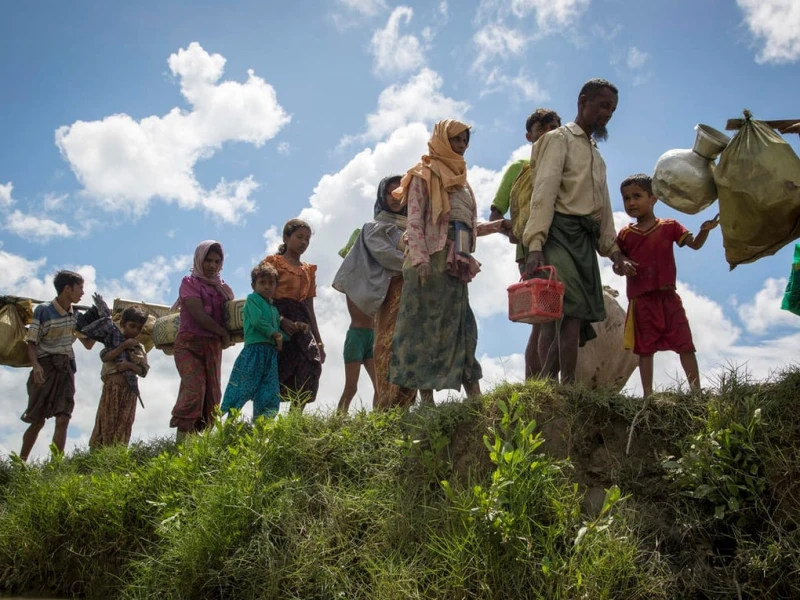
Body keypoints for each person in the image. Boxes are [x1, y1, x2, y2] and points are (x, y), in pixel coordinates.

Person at [523, 78, 634, 384]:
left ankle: (562, 385)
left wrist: (613, 251)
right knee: (565, 309)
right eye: (602, 105)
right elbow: (543, 193)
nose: (607, 114)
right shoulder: (558, 140)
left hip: (584, 240)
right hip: (558, 232)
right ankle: (554, 384)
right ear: (583, 101)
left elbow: (603, 207)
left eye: (612, 109)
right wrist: (535, 245)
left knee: (576, 314)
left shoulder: (597, 156)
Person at [389, 120, 508, 398]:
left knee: (463, 326)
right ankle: (427, 400)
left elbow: (465, 226)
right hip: (430, 260)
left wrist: (498, 226)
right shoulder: (424, 174)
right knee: (424, 328)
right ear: (442, 140)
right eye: (456, 140)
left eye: (466, 141)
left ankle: (474, 396)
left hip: (457, 263)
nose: (462, 146)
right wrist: (420, 259)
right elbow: (415, 220)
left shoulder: (463, 182)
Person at [615, 174, 719, 397]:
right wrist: (622, 264)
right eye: (626, 199)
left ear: (653, 198)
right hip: (641, 300)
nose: (631, 203)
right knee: (645, 349)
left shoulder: (670, 226)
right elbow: (617, 263)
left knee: (685, 343)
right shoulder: (625, 234)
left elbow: (694, 245)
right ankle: (648, 396)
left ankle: (696, 392)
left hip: (667, 296)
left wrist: (705, 230)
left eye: (637, 196)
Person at [333, 175, 419, 411]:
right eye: (390, 193)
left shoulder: (415, 227)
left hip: (413, 291)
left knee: (410, 346)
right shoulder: (374, 227)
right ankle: (386, 409)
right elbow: (386, 255)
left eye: (400, 193)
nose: (395, 198)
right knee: (388, 346)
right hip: (391, 293)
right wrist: (417, 261)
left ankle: (406, 406)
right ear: (382, 196)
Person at [489, 108, 562, 379]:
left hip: (562, 244)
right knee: (543, 317)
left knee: (556, 318)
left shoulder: (563, 166)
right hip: (530, 250)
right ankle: (541, 382)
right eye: (540, 129)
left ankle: (541, 383)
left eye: (553, 127)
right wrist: (515, 232)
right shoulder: (520, 168)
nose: (547, 133)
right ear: (528, 136)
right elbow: (496, 214)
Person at [19, 270, 95, 461]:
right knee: (37, 420)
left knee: (63, 418)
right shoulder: (44, 310)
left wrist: (99, 324)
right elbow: (32, 341)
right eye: (80, 288)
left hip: (66, 367)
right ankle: (21, 462)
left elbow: (88, 344)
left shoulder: (76, 316)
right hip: (45, 367)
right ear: (67, 288)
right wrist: (35, 365)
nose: (82, 293)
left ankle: (56, 465)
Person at [170, 241, 234, 440]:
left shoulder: (222, 289)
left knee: (212, 394)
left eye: (217, 261)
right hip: (189, 344)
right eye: (208, 260)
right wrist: (222, 333)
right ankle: (181, 442)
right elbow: (198, 314)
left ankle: (201, 443)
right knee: (194, 388)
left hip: (212, 346)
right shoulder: (189, 282)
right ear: (199, 259)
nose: (212, 265)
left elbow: (229, 313)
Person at [262, 219, 325, 412]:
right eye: (299, 237)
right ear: (286, 238)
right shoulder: (273, 263)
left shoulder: (308, 270)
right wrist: (280, 320)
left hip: (301, 321)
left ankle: (295, 416)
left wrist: (319, 340)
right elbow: (262, 295)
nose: (303, 242)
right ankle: (265, 417)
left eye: (307, 239)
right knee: (277, 369)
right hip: (276, 317)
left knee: (311, 362)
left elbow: (309, 306)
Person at [221, 263, 289, 421]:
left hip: (269, 354)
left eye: (271, 283)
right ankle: (229, 423)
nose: (267, 286)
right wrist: (276, 335)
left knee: (269, 390)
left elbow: (277, 329)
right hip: (254, 352)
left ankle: (262, 426)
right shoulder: (252, 300)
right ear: (253, 285)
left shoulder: (273, 309)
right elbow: (258, 321)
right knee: (243, 387)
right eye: (262, 282)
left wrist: (290, 334)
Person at [89, 306, 149, 449]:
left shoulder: (140, 347)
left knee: (124, 423)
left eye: (139, 328)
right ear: (123, 324)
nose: (135, 331)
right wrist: (122, 347)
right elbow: (105, 357)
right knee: (107, 421)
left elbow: (143, 370)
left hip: (130, 392)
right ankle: (99, 454)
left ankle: (118, 454)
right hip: (112, 389)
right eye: (132, 326)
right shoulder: (112, 339)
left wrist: (130, 366)